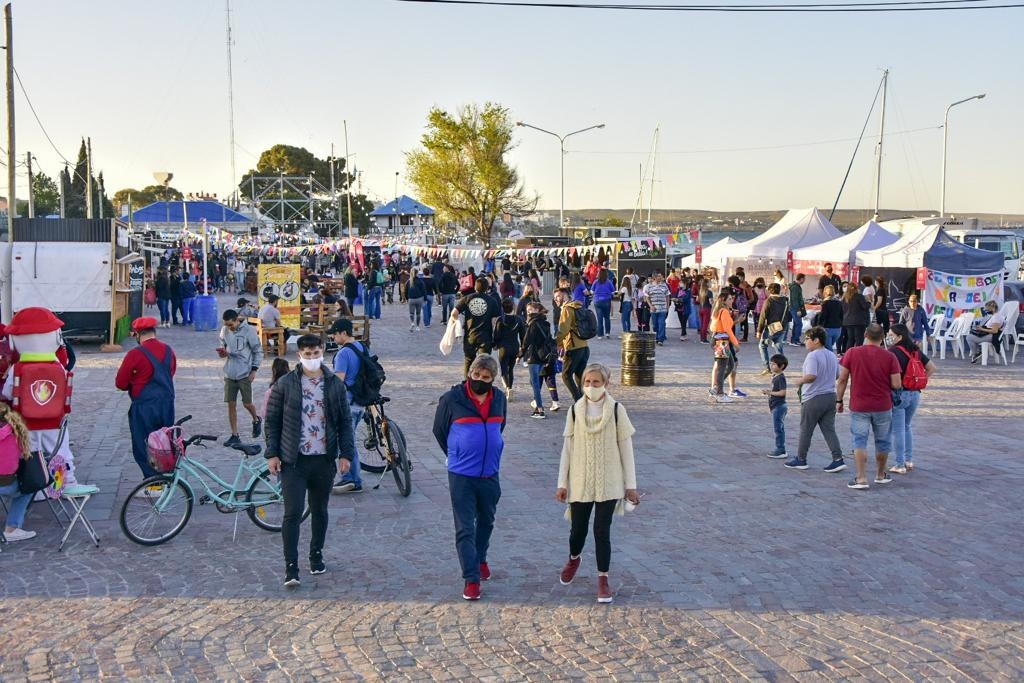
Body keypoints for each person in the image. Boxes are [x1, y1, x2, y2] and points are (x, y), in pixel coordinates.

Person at [264, 334, 354, 587]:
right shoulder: (286, 384)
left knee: (319, 511)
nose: (312, 358)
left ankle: (316, 554)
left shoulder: (334, 385)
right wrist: (272, 453)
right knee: (292, 513)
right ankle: (290, 566)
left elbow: (345, 422)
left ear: (322, 352)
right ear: (299, 355)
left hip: (323, 459)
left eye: (316, 353)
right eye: (308, 354)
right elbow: (272, 421)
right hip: (294, 460)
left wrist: (346, 454)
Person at [555, 363, 638, 604]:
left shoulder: (616, 411)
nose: (591, 387)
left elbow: (626, 449)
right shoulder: (574, 411)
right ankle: (574, 557)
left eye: (596, 382)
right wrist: (562, 483)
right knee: (577, 529)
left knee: (602, 531)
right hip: (580, 480)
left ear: (606, 384)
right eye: (587, 382)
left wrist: (630, 485)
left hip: (609, 480)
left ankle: (603, 578)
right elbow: (567, 450)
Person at [432, 355, 507, 601]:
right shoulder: (452, 399)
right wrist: (457, 452)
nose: (480, 381)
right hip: (461, 475)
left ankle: (481, 557)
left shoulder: (499, 399)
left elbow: (500, 427)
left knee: (486, 521)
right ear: (469, 374)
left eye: (486, 378)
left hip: (490, 473)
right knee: (465, 527)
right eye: (477, 376)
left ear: (492, 379)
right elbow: (439, 431)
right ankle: (471, 579)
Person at [836, 324, 902, 490]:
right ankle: (880, 474)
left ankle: (861, 477)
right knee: (882, 441)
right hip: (882, 405)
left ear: (865, 334)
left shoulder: (852, 353)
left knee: (859, 441)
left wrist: (839, 400)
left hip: (859, 405)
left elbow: (842, 378)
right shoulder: (889, 357)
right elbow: (896, 383)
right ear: (883, 337)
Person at [115, 317, 177, 479]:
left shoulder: (134, 354)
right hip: (167, 403)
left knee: (143, 443)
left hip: (144, 405)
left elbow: (120, 383)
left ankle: (152, 480)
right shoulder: (169, 350)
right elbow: (171, 372)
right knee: (164, 442)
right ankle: (166, 477)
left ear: (137, 334)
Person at [785, 326, 846, 473]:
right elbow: (837, 375)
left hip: (814, 397)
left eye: (807, 339)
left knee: (806, 429)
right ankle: (838, 459)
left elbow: (812, 375)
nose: (805, 342)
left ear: (816, 340)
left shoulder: (813, 356)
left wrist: (799, 381)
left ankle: (801, 458)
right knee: (829, 429)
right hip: (830, 396)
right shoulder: (831, 354)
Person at [887, 323, 936, 475]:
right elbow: (932, 368)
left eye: (891, 335)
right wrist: (920, 381)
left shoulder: (893, 352)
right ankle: (908, 460)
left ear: (899, 337)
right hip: (915, 393)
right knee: (906, 426)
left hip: (900, 394)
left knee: (898, 429)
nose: (888, 337)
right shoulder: (915, 350)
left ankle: (899, 463)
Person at [219, 310, 264, 447]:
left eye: (231, 325)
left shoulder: (249, 330)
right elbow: (222, 343)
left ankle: (256, 419)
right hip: (230, 372)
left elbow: (257, 350)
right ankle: (235, 434)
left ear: (237, 320)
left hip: (244, 372)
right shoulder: (224, 330)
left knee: (247, 403)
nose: (229, 328)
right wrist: (223, 351)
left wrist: (254, 370)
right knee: (231, 404)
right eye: (226, 325)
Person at [0, 404, 37, 542]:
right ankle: (12, 529)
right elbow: (26, 457)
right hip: (6, 484)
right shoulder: (17, 432)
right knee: (27, 490)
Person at [452, 279, 502, 377]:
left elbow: (454, 313)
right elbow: (494, 321)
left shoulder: (467, 298)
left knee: (468, 360)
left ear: (475, 287)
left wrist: (458, 324)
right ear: (487, 288)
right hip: (485, 336)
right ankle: (483, 382)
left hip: (470, 334)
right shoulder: (492, 300)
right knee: (484, 362)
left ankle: (467, 384)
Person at [521, 301, 559, 419]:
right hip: (543, 356)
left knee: (536, 384)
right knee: (534, 382)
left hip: (534, 356)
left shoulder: (533, 323)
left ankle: (540, 409)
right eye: (527, 311)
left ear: (537, 310)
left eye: (531, 310)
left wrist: (520, 353)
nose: (529, 313)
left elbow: (527, 341)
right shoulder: (545, 323)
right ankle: (538, 405)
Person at [554, 288, 590, 402]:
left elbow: (563, 329)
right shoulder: (578, 306)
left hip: (573, 347)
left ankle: (578, 401)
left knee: (566, 375)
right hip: (584, 346)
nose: (556, 300)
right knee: (579, 375)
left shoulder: (567, 308)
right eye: (555, 298)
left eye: (558, 296)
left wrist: (557, 343)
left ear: (565, 296)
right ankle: (584, 401)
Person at [708, 290, 740, 403]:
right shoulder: (724, 311)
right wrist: (736, 343)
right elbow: (727, 329)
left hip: (719, 339)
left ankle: (716, 387)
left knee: (730, 364)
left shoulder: (720, 310)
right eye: (730, 299)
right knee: (722, 367)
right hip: (722, 340)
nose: (732, 300)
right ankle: (719, 393)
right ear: (724, 301)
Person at [493, 298, 526, 400]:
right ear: (513, 307)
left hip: (503, 348)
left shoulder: (500, 320)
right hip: (514, 347)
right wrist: (522, 349)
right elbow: (523, 336)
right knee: (510, 369)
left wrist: (495, 344)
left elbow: (496, 335)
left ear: (503, 308)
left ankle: (507, 388)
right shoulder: (519, 319)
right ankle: (510, 387)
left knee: (503, 370)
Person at [757, 283, 791, 374]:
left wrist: (759, 331)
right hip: (782, 327)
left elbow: (763, 316)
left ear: (769, 290)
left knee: (762, 345)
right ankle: (781, 367)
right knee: (778, 347)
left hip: (771, 328)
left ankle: (767, 367)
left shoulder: (769, 301)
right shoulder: (786, 300)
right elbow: (789, 315)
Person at [763, 354, 789, 459]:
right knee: (778, 427)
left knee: (779, 429)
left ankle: (780, 449)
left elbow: (782, 393)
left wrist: (770, 392)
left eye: (774, 364)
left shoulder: (781, 378)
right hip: (775, 406)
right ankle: (780, 448)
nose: (772, 366)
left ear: (781, 366)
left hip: (779, 406)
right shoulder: (775, 376)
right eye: (771, 364)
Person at [643, 272, 671, 346]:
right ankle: (657, 335)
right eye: (659, 276)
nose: (660, 278)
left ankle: (660, 339)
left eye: (661, 276)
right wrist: (651, 306)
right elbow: (647, 297)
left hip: (662, 309)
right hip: (654, 309)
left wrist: (667, 306)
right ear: (654, 277)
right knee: (655, 325)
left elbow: (667, 296)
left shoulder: (664, 286)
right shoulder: (648, 286)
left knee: (661, 323)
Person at [841, 283, 871, 350]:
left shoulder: (844, 298)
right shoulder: (859, 296)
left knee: (850, 339)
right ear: (856, 288)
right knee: (859, 339)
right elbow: (865, 306)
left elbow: (842, 310)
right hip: (859, 321)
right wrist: (869, 302)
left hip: (848, 321)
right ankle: (857, 355)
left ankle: (848, 354)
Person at [591, 269, 616, 340]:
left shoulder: (596, 282)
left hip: (597, 301)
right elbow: (613, 291)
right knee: (607, 317)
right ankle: (607, 333)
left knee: (599, 318)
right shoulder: (609, 282)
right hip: (606, 301)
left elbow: (592, 291)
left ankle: (600, 335)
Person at [818, 285, 844, 352]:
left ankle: (831, 361)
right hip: (838, 329)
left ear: (825, 293)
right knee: (829, 347)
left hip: (828, 328)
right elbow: (842, 315)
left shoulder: (825, 303)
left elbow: (823, 316)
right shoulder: (839, 302)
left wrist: (819, 325)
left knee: (828, 349)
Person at [787, 274, 806, 346]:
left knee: (796, 324)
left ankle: (795, 340)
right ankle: (795, 340)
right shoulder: (795, 287)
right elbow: (794, 299)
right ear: (801, 279)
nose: (804, 281)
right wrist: (798, 309)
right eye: (804, 279)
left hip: (794, 308)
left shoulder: (795, 286)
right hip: (795, 308)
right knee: (799, 324)